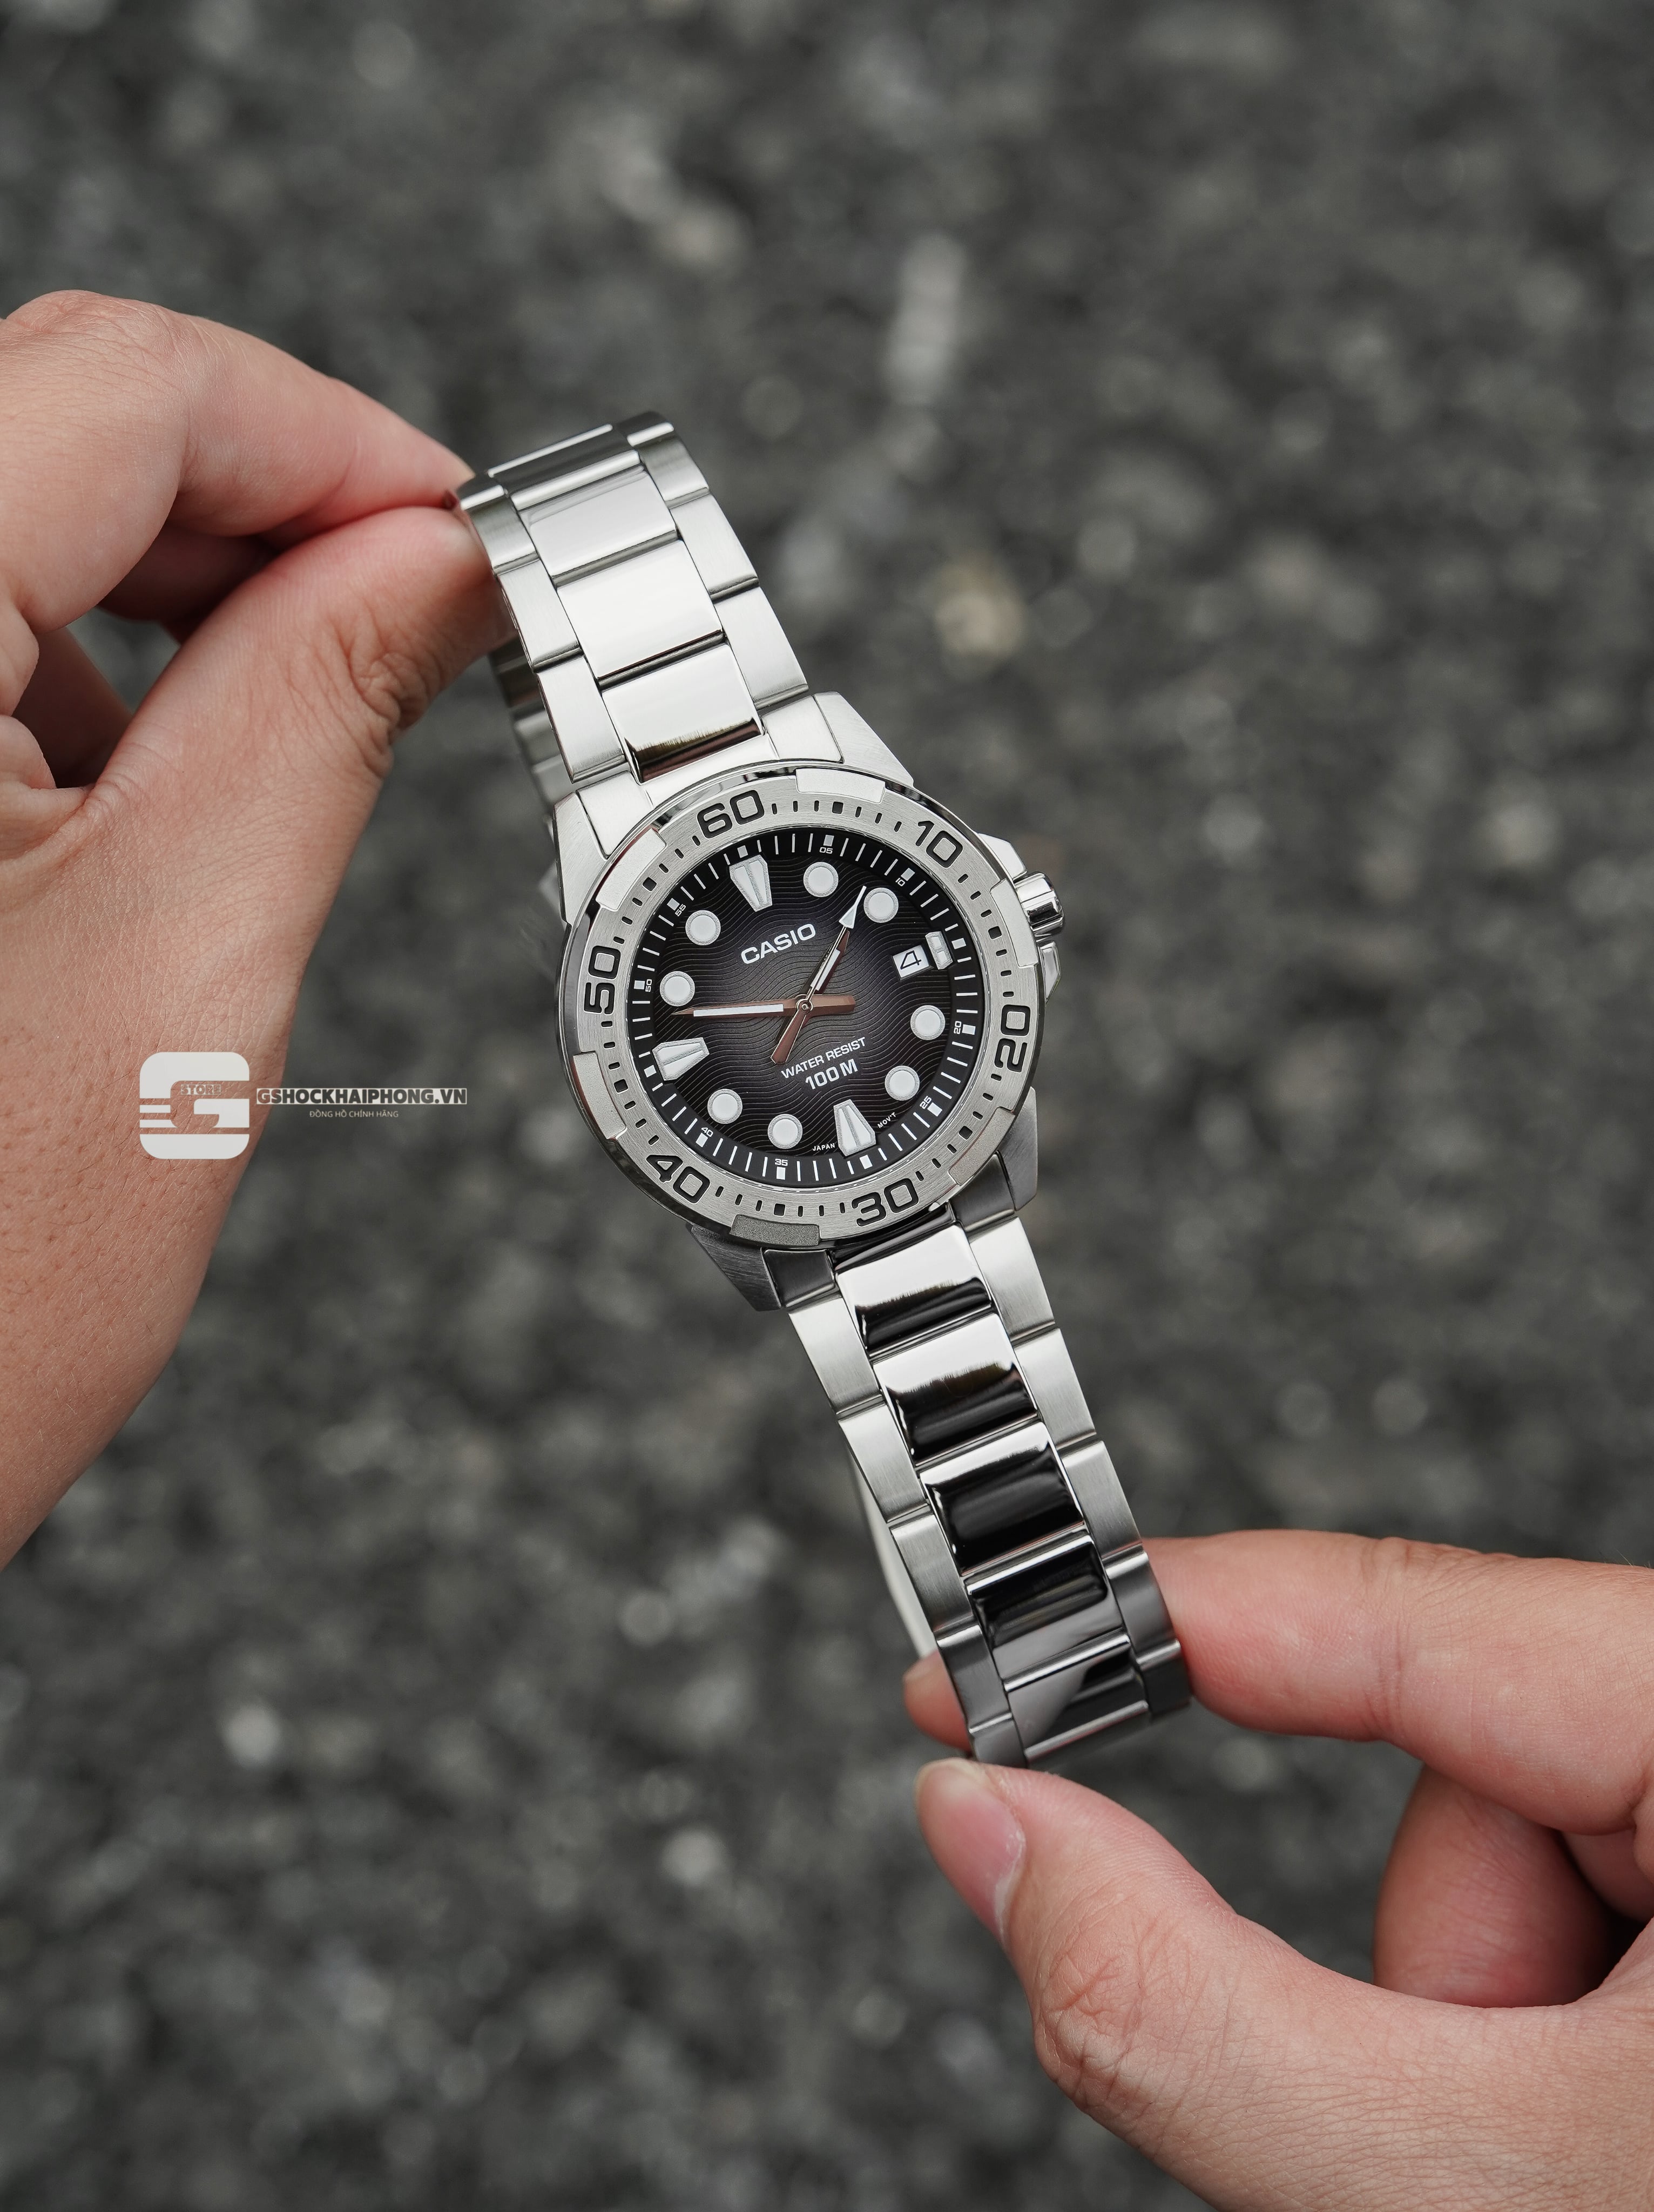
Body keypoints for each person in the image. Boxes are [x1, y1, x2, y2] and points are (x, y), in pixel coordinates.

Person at [2, 293, 1650, 2209]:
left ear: (998, 923)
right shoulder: (769, 952)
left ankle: (1059, 1648)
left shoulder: (845, 917)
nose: (802, 1010)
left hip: (865, 1148)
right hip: (834, 1176)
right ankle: (1055, 1646)